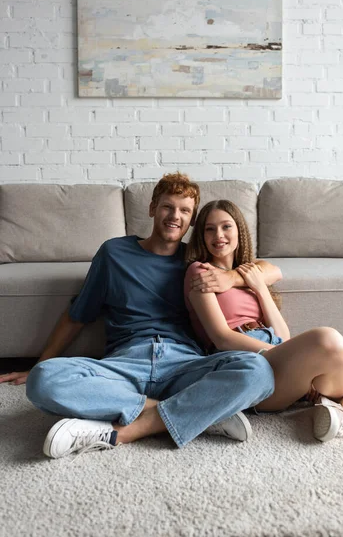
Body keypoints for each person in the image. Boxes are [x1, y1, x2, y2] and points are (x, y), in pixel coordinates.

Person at [0, 173, 285, 459]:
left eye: (184, 210)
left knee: (258, 371)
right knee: (43, 380)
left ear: (192, 219)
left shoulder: (197, 261)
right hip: (125, 364)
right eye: (167, 207)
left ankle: (150, 420)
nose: (175, 216)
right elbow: (77, 315)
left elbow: (269, 269)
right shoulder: (114, 253)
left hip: (184, 363)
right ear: (152, 209)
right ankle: (198, 410)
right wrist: (40, 363)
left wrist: (232, 277)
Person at [184, 199, 343, 442]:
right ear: (201, 235)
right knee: (327, 339)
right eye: (209, 229)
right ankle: (320, 386)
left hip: (276, 348)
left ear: (239, 230)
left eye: (226, 226)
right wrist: (284, 354)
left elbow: (282, 335)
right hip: (250, 360)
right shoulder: (200, 272)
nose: (218, 235)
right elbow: (221, 338)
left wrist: (259, 287)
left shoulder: (250, 272)